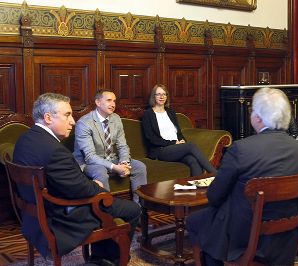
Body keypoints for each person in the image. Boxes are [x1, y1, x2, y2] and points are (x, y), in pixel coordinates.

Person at [186, 87, 298, 265]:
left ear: (258, 118)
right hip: (287, 238)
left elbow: (214, 197)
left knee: (196, 221)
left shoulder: (241, 149)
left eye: (252, 110)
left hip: (244, 237)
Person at [13, 93, 140, 264]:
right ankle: (108, 260)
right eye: (67, 115)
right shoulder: (55, 151)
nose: (72, 121)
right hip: (61, 219)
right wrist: (96, 185)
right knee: (132, 209)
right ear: (48, 117)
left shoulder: (24, 140)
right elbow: (82, 190)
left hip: (34, 216)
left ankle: (102, 256)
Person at [73, 89, 147, 202]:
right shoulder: (84, 123)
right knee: (101, 171)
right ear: (98, 102)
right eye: (109, 100)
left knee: (140, 167)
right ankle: (106, 211)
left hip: (112, 159)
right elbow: (89, 156)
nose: (113, 104)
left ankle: (139, 208)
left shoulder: (116, 118)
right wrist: (115, 167)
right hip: (88, 163)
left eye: (114, 101)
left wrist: (124, 163)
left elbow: (123, 145)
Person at [141, 84, 216, 176]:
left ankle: (198, 189)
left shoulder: (171, 112)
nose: (162, 97)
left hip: (175, 148)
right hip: (161, 150)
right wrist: (174, 143)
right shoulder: (148, 114)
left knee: (192, 160)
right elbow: (151, 139)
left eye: (164, 94)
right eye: (158, 94)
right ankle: (215, 174)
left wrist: (181, 140)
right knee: (191, 146)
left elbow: (178, 132)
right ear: (154, 96)